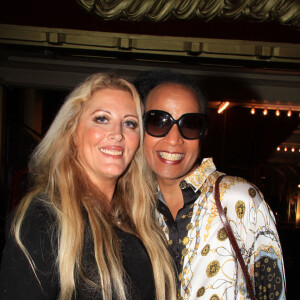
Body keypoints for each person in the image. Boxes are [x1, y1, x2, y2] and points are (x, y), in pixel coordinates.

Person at [0, 73, 177, 300]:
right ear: (72, 132)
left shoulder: (140, 218)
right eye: (102, 119)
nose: (117, 134)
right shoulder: (44, 217)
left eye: (130, 123)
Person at [135, 70, 286, 300]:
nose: (174, 139)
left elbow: (272, 292)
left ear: (202, 134)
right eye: (158, 121)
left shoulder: (240, 199)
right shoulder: (126, 208)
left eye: (190, 124)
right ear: (139, 127)